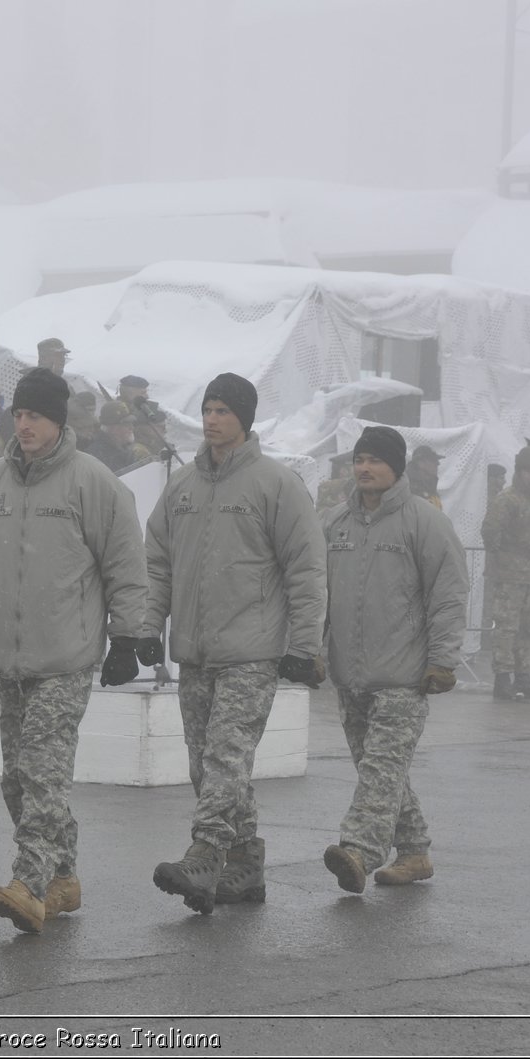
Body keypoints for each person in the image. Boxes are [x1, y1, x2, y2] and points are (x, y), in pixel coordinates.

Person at [0, 367, 147, 933]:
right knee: (17, 781)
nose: (24, 425)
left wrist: (127, 638)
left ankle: (28, 883)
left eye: (35, 416)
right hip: (8, 660)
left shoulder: (95, 482)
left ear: (57, 420)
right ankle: (63, 877)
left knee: (41, 774)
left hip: (67, 658)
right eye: (19, 414)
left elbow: (127, 567)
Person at [142, 372, 327, 915]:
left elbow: (306, 569)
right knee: (207, 764)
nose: (212, 419)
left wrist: (304, 643)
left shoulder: (276, 484)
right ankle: (245, 866)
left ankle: (205, 857)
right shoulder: (181, 488)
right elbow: (157, 561)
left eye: (223, 410)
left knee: (226, 755)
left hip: (253, 650)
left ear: (243, 419)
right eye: (207, 408)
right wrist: (147, 627)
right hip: (196, 652)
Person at [320, 426, 467, 893]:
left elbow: (448, 595)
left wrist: (443, 660)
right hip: (351, 674)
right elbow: (315, 592)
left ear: (396, 467)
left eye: (375, 460)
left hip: (405, 676)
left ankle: (359, 851)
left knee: (381, 770)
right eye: (359, 459)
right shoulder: (335, 523)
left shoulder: (425, 522)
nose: (364, 468)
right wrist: (307, 650)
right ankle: (415, 852)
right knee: (379, 769)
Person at [480, 443, 530, 702]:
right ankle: (503, 680)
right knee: (507, 628)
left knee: (527, 628)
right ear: (523, 472)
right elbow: (490, 531)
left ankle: (523, 677)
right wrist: (503, 558)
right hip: (511, 573)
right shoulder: (507, 499)